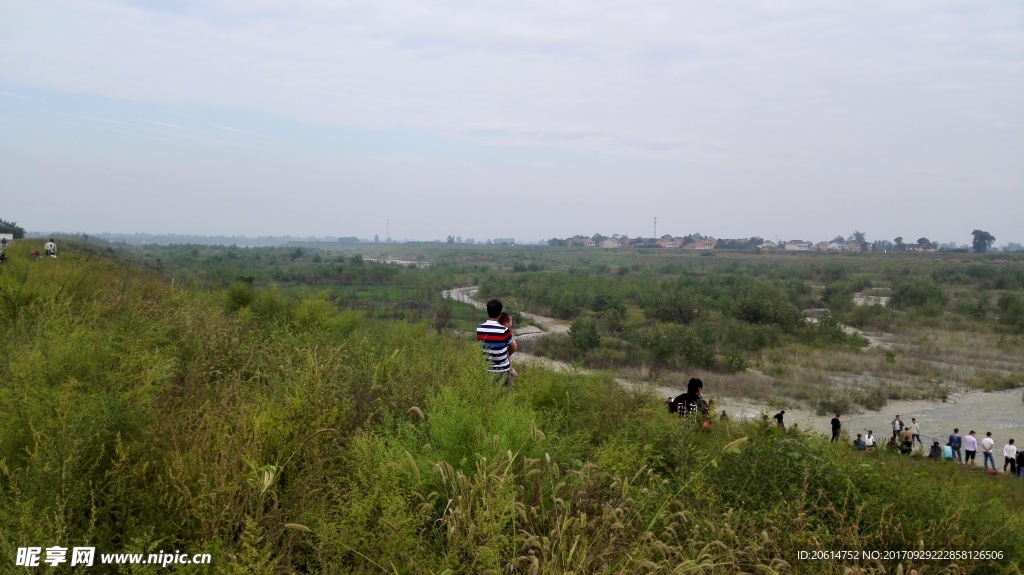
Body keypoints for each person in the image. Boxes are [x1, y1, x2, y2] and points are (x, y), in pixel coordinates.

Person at [476, 299, 517, 386]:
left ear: (488, 311)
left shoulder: (479, 329)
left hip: (486, 369)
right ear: (500, 313)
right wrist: (507, 355)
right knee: (505, 395)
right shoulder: (504, 330)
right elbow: (514, 347)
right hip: (502, 370)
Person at [497, 312, 518, 379]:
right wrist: (511, 369)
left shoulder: (495, 332)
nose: (512, 323)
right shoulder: (505, 333)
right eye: (511, 320)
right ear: (506, 323)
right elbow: (513, 348)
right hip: (503, 368)